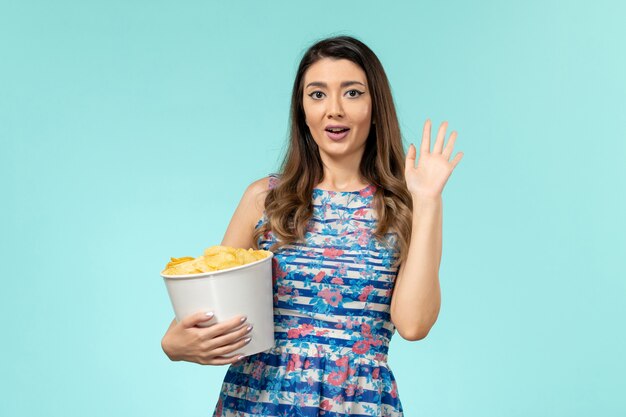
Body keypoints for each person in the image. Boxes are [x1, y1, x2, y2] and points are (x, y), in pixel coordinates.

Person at [161, 35, 463, 416]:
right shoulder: (265, 199)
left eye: (352, 93)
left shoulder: (404, 206)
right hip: (258, 401)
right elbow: (215, 306)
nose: (333, 110)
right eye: (317, 94)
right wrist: (175, 344)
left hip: (357, 403)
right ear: (301, 109)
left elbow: (414, 324)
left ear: (375, 106)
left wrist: (429, 200)